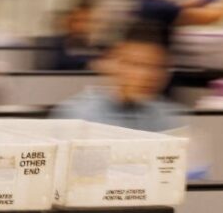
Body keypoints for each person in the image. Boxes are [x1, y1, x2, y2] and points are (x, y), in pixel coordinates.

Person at [51, 22, 183, 133]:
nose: (147, 75)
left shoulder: (166, 118)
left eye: (157, 67)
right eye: (136, 64)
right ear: (112, 63)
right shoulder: (79, 116)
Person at [40, 0, 102, 71]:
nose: (81, 26)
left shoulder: (96, 48)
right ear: (68, 21)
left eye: (87, 21)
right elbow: (58, 62)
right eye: (76, 21)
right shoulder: (53, 44)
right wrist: (91, 64)